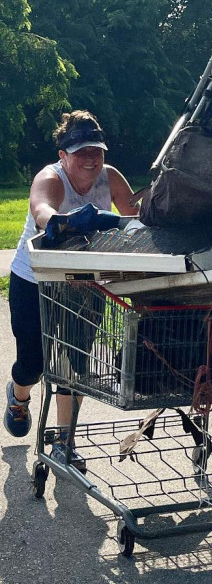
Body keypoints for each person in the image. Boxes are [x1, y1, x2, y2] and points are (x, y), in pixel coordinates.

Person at [5, 111, 138, 470]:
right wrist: (63, 222)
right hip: (35, 281)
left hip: (84, 283)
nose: (91, 157)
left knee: (75, 363)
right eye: (81, 151)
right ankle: (18, 398)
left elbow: (135, 213)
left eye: (96, 149)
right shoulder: (51, 176)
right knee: (33, 363)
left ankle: (65, 440)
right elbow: (41, 209)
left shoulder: (110, 178)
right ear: (64, 155)